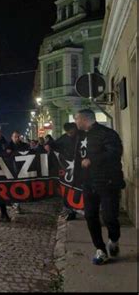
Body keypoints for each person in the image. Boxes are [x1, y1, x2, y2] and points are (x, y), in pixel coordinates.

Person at [74, 109, 125, 265]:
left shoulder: (107, 134)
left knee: (109, 217)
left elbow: (115, 153)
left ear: (84, 119)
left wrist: (92, 160)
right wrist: (76, 181)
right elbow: (77, 158)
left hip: (107, 183)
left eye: (77, 119)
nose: (75, 122)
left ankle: (114, 239)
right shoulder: (81, 136)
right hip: (88, 184)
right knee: (90, 216)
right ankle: (100, 249)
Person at [46, 122, 79, 221]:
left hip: (81, 168)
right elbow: (54, 144)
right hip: (67, 169)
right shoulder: (64, 138)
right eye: (69, 133)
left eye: (72, 132)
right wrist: (48, 145)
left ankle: (81, 208)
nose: (70, 134)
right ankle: (70, 211)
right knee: (68, 189)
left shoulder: (81, 136)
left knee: (79, 189)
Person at [6, 131, 30, 214]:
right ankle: (13, 203)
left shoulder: (23, 145)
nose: (16, 138)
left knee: (19, 186)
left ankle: (17, 204)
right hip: (11, 169)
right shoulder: (8, 145)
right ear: (12, 137)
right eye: (15, 137)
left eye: (18, 137)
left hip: (21, 169)